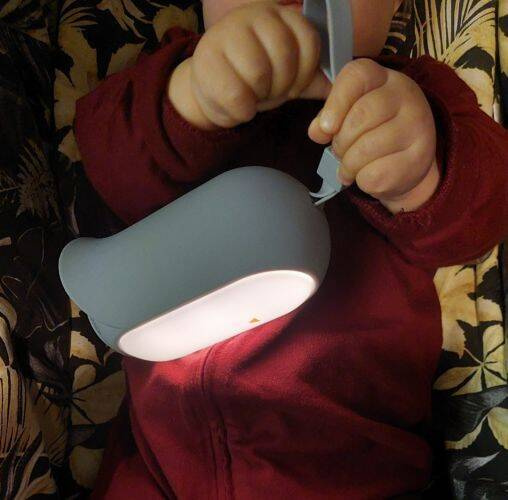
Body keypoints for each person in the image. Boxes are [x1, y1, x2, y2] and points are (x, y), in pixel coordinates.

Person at [74, 0, 508, 497]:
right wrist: (194, 95)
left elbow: (485, 213)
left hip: (349, 462)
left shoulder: (417, 95)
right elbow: (106, 161)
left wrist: (418, 168)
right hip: (162, 463)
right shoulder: (168, 75)